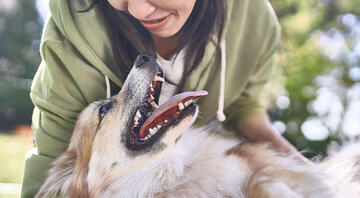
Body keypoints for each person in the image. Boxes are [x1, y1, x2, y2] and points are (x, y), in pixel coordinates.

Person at [21, 0, 307, 196]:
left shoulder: (256, 23)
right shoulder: (69, 39)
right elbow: (51, 159)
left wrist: (311, 173)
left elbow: (244, 104)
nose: (137, 9)